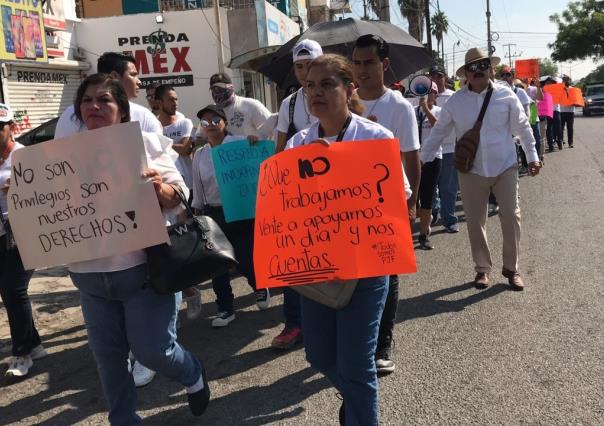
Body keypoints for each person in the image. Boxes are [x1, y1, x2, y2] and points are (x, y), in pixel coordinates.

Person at [67, 73, 210, 424]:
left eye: (104, 100)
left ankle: (192, 372)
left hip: (143, 272)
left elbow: (181, 201)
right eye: (87, 100)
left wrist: (161, 190)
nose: (94, 106)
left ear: (122, 110)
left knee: (154, 351)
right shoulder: (62, 157)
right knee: (110, 360)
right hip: (89, 278)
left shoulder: (145, 144)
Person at [286, 53, 412, 426]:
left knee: (357, 365)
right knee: (320, 357)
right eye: (310, 86)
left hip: (367, 267)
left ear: (349, 89)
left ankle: (358, 404)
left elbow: (399, 196)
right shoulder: (297, 145)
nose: (316, 93)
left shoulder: (375, 136)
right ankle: (356, 397)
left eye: (327, 84)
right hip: (318, 267)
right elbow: (287, 206)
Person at [421, 48, 542, 291]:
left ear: (491, 69)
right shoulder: (456, 101)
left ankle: (512, 268)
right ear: (465, 73)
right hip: (471, 169)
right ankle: (482, 269)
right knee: (476, 221)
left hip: (505, 165)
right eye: (473, 68)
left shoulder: (506, 96)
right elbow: (439, 132)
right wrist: (423, 160)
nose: (478, 71)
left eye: (483, 65)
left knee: (511, 215)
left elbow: (522, 128)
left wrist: (532, 156)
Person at [351, 33, 421, 376]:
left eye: (369, 63)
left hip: (387, 205)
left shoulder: (399, 107)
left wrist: (411, 206)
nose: (362, 70)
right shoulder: (343, 101)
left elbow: (412, 157)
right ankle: (356, 341)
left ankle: (382, 344)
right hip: (348, 208)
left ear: (385, 65)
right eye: (357, 63)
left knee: (387, 276)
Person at [191, 104, 270, 328]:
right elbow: (197, 186)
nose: (210, 126)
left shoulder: (239, 144)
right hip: (213, 213)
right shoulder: (200, 154)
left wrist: (255, 145)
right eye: (205, 123)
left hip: (241, 211)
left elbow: (259, 165)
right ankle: (225, 308)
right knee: (217, 264)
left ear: (224, 122)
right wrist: (197, 209)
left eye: (215, 120)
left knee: (245, 259)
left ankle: (259, 285)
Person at [269, 39, 323, 350]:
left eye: (310, 64)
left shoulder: (338, 95)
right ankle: (294, 323)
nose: (305, 72)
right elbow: (278, 152)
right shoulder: (288, 104)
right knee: (294, 259)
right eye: (300, 66)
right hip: (301, 194)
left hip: (336, 195)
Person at [0, 103, 48, 378]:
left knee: (13, 290)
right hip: (1, 236)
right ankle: (35, 343)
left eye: (0, 127)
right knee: (9, 290)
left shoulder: (25, 157)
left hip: (24, 232)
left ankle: (22, 354)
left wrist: (22, 189)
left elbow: (49, 191)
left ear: (12, 128)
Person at [55, 52, 162, 138]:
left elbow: (162, 158)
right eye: (133, 75)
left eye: (104, 100)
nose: (93, 107)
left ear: (123, 112)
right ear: (114, 76)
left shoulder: (144, 116)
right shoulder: (70, 116)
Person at [429, 64, 459, 233]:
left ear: (445, 77)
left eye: (439, 76)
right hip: (431, 148)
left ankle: (449, 219)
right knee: (431, 187)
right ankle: (434, 209)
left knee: (448, 187)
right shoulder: (423, 96)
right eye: (433, 76)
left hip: (449, 148)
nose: (436, 79)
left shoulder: (453, 97)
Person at [415, 82, 442, 249]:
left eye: (431, 92)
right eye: (424, 91)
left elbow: (439, 127)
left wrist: (426, 109)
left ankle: (424, 235)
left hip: (432, 159)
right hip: (414, 160)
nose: (427, 95)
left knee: (427, 197)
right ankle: (424, 220)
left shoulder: (438, 111)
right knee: (412, 198)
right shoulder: (412, 112)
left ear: (435, 95)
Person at [208, 72, 272, 138]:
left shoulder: (251, 105)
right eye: (214, 90)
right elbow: (200, 137)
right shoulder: (212, 111)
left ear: (231, 87)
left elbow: (272, 129)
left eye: (220, 89)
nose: (217, 93)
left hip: (251, 147)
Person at [560, 75, 575, 148]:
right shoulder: (559, 89)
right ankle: (561, 140)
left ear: (570, 81)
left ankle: (570, 143)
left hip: (570, 111)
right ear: (562, 81)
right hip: (561, 111)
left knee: (570, 128)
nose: (566, 81)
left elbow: (575, 99)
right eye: (564, 80)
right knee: (561, 127)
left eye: (567, 80)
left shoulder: (573, 89)